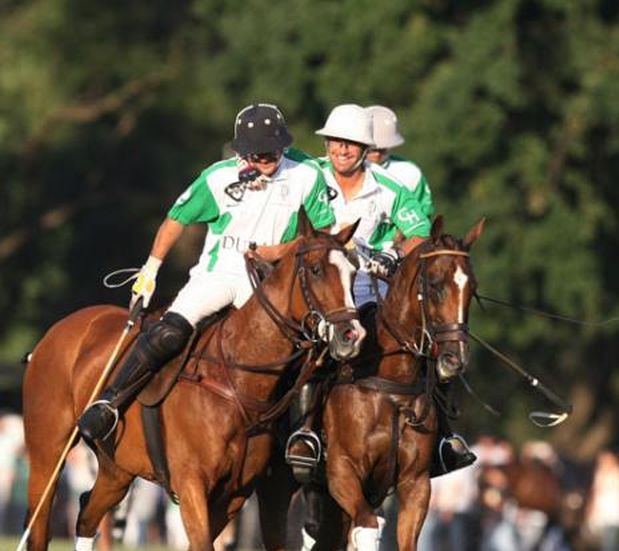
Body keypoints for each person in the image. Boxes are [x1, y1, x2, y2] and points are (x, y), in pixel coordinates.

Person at [77, 103, 337, 441]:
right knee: (170, 331)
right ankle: (111, 402)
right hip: (222, 272)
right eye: (258, 155)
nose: (267, 160)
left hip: (274, 281)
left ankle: (304, 434)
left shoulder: (306, 174)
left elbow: (324, 234)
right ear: (243, 151)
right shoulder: (218, 177)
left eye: (273, 151)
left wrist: (276, 252)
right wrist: (151, 269)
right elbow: (177, 219)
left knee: (310, 347)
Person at [284, 104, 474, 478]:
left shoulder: (390, 187)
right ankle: (302, 432)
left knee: (418, 337)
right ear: (326, 143)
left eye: (352, 144)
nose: (342, 150)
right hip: (317, 283)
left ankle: (439, 439)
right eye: (336, 142)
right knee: (299, 345)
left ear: (365, 149)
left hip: (366, 283)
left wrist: (391, 253)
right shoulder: (308, 175)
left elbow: (419, 232)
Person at [365, 105, 434, 218]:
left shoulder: (410, 173)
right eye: (371, 150)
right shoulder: (335, 171)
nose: (377, 154)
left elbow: (423, 215)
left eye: (383, 149)